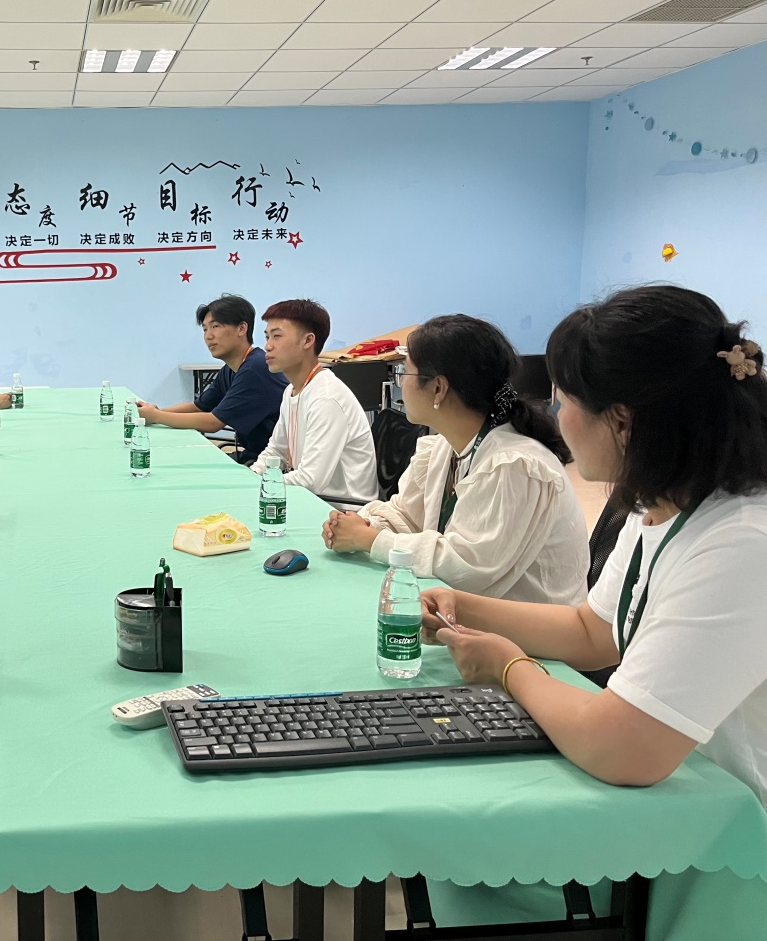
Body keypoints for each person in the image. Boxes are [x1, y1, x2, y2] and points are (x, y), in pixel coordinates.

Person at [423, 285, 767, 803]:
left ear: (621, 420)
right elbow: (592, 631)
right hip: (691, 794)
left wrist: (509, 667)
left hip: (738, 819)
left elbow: (623, 748)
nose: (555, 415)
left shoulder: (741, 543)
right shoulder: (659, 504)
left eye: (562, 401)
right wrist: (462, 607)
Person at [324, 314, 589, 606]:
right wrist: (361, 523)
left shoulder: (514, 465)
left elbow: (468, 568)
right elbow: (406, 516)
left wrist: (370, 540)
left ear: (438, 388)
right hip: (468, 614)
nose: (401, 383)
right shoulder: (444, 447)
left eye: (404, 373)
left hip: (524, 628)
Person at [249, 299, 378, 501]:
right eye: (267, 337)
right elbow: (276, 451)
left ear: (308, 341)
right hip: (311, 497)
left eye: (277, 336)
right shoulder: (292, 390)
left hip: (340, 508)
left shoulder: (326, 398)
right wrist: (252, 475)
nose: (268, 346)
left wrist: (259, 485)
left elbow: (311, 480)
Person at [136, 293, 287, 465]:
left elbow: (213, 423)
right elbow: (198, 406)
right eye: (205, 329)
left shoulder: (256, 368)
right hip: (254, 455)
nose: (208, 336)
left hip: (274, 463)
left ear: (241, 328)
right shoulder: (230, 369)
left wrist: (157, 416)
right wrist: (156, 411)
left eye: (215, 326)